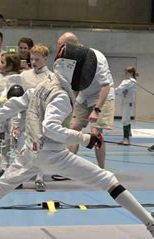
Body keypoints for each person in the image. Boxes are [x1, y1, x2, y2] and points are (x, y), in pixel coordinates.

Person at [0, 43, 154, 239]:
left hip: (30, 152)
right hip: (52, 154)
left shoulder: (45, 84)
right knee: (108, 179)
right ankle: (153, 225)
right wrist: (86, 139)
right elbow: (51, 129)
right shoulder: (61, 96)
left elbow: (19, 102)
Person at [58, 32, 115, 170]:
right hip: (84, 96)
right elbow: (74, 85)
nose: (60, 51)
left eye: (61, 47)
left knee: (96, 132)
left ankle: (102, 170)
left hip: (102, 95)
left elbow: (105, 86)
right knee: (73, 130)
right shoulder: (68, 61)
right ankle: (68, 169)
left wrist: (96, 110)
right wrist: (71, 104)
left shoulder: (96, 57)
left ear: (70, 46)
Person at [18, 43, 54, 191]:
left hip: (42, 119)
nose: (33, 62)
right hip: (24, 117)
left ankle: (39, 178)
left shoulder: (52, 78)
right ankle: (18, 177)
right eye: (32, 59)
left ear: (45, 59)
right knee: (20, 148)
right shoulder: (24, 75)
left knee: (39, 149)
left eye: (37, 59)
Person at [0, 52, 23, 180]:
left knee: (15, 142)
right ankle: (4, 168)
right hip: (2, 114)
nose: (0, 64)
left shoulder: (19, 78)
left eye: (3, 62)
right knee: (2, 142)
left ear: (10, 65)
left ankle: (16, 172)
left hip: (15, 115)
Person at [115, 66, 138, 145]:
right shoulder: (130, 81)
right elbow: (121, 90)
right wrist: (121, 91)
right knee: (126, 119)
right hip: (126, 102)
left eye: (126, 72)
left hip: (127, 103)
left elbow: (119, 89)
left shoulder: (130, 81)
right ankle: (128, 134)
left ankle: (126, 139)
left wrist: (110, 91)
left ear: (131, 73)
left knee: (125, 120)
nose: (125, 74)